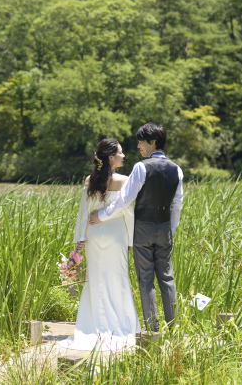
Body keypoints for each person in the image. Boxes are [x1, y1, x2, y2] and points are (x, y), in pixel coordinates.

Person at [89, 123, 183, 333]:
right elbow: (177, 205)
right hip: (164, 228)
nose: (139, 146)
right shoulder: (177, 169)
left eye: (141, 141)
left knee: (146, 277)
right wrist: (171, 230)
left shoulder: (141, 168)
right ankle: (174, 329)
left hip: (143, 228)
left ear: (152, 142)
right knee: (167, 278)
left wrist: (102, 216)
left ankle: (152, 330)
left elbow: (124, 200)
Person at [58, 138, 141, 351]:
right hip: (117, 234)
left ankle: (92, 325)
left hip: (94, 233)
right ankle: (121, 325)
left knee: (94, 278)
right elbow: (129, 212)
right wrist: (132, 240)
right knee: (118, 277)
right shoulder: (125, 180)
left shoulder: (89, 180)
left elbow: (83, 212)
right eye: (120, 153)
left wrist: (80, 240)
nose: (124, 156)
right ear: (111, 158)